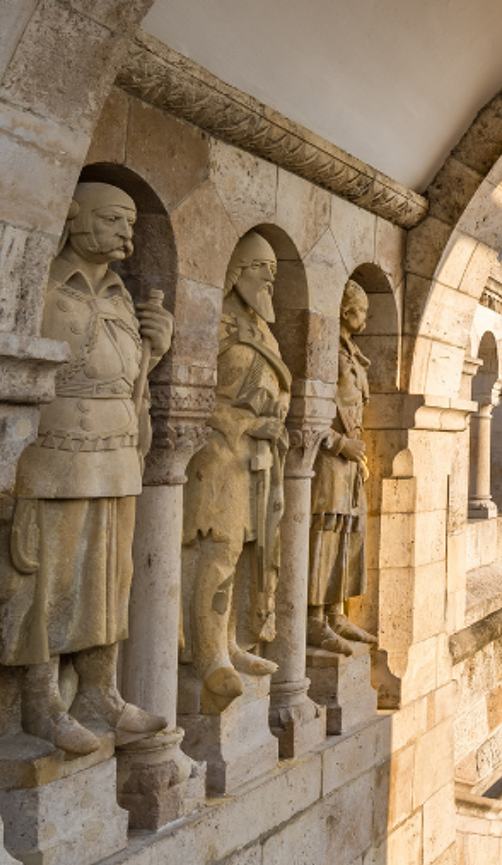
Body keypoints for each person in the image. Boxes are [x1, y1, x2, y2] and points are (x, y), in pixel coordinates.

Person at [0, 182, 171, 754]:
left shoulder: (122, 296)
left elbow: (123, 375)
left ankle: (100, 692)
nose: (127, 232)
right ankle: (43, 703)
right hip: (58, 454)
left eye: (129, 222)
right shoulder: (43, 284)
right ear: (74, 219)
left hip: (117, 454)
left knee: (109, 580)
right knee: (49, 577)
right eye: (114, 219)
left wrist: (156, 351)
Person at [182, 233, 289, 706]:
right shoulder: (214, 324)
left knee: (244, 552)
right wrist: (247, 423)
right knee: (218, 552)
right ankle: (206, 654)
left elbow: (278, 387)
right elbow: (194, 397)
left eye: (273, 270)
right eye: (260, 268)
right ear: (235, 270)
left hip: (257, 459)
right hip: (218, 455)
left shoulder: (263, 330)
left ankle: (229, 644)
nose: (269, 278)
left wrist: (273, 421)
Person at [308, 281, 377, 657]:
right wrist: (339, 443)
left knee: (349, 532)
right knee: (325, 531)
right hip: (329, 459)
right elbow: (308, 411)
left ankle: (336, 612)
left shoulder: (352, 354)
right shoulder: (328, 351)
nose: (364, 317)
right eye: (361, 309)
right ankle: (314, 620)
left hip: (351, 461)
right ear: (345, 310)